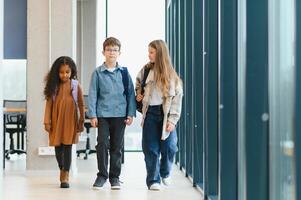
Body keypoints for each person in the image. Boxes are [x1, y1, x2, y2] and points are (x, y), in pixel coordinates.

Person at [88, 37, 136, 190]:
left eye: (115, 50)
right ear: (103, 52)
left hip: (120, 115)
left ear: (119, 53)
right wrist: (93, 115)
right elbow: (93, 94)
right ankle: (102, 176)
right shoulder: (97, 73)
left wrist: (130, 114)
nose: (111, 52)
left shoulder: (124, 73)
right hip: (102, 115)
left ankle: (115, 177)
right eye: (109, 49)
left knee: (117, 147)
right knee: (102, 144)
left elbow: (130, 94)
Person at [135, 40, 183, 191]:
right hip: (150, 114)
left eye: (151, 52)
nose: (148, 55)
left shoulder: (171, 75)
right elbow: (138, 84)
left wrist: (173, 120)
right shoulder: (146, 70)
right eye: (149, 51)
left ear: (160, 54)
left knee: (171, 147)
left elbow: (177, 98)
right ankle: (153, 180)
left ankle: (165, 172)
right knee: (150, 149)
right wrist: (139, 94)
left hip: (166, 115)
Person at [43, 56, 85, 188]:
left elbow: (81, 105)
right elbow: (49, 104)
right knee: (57, 147)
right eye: (61, 72)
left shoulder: (75, 85)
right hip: (56, 119)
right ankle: (62, 167)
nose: (64, 75)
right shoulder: (53, 86)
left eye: (67, 72)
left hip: (70, 120)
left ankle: (65, 174)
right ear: (57, 72)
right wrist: (46, 121)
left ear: (72, 72)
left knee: (68, 146)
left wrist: (81, 121)